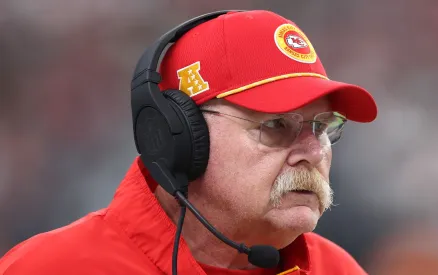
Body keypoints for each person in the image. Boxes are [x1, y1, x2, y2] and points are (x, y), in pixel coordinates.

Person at [0, 10, 377, 275]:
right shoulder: (50, 268)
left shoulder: (339, 270)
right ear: (177, 135)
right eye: (276, 125)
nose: (314, 152)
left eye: (322, 126)